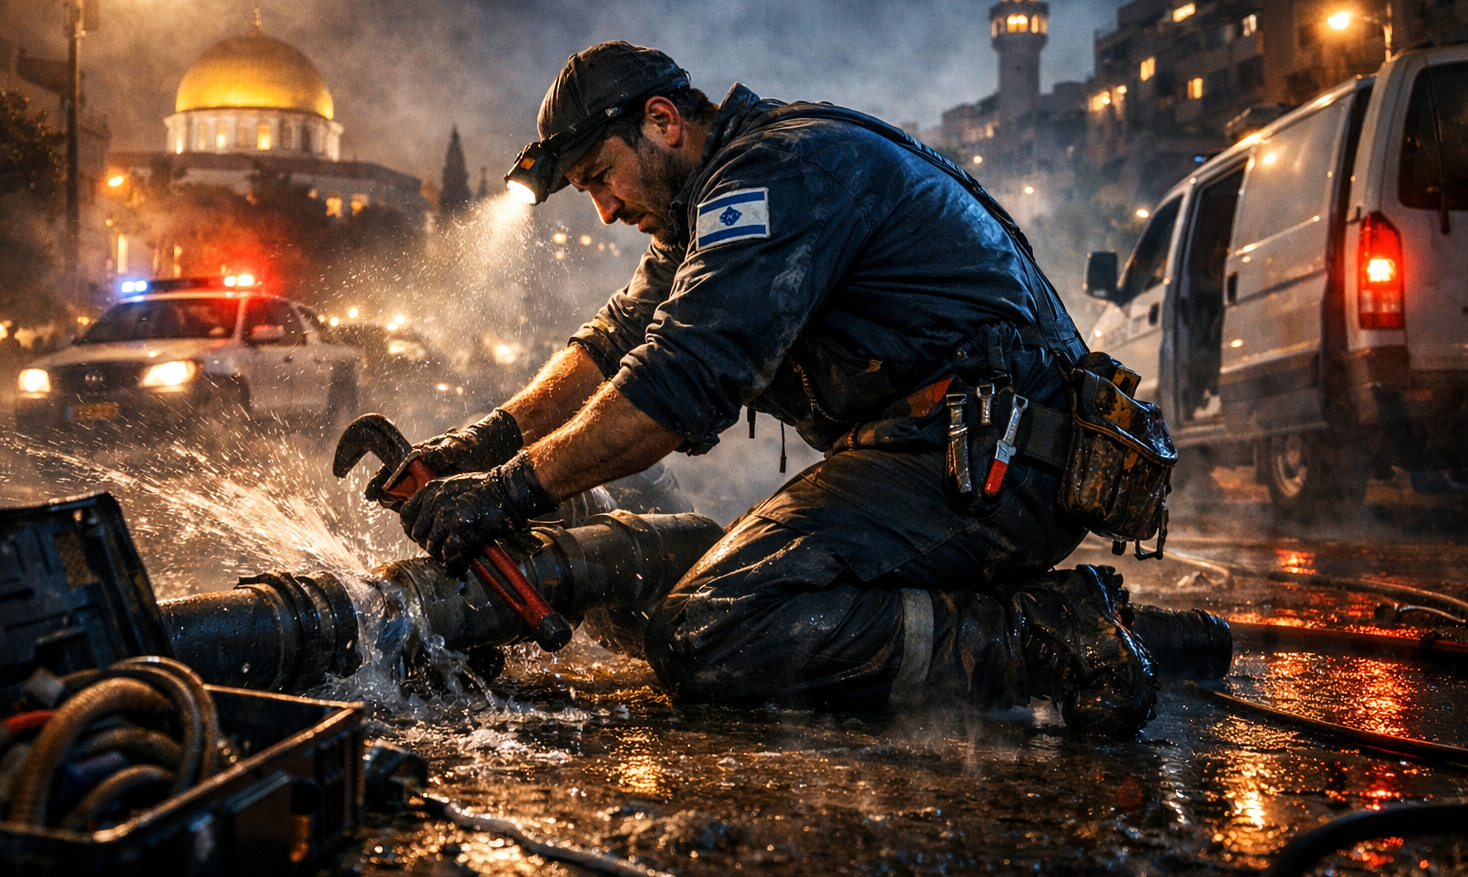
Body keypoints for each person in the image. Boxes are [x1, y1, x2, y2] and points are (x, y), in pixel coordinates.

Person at [375, 41, 1179, 737]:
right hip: (945, 454)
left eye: (600, 177)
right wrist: (478, 446)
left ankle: (1039, 637)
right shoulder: (709, 204)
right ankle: (999, 617)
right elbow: (611, 347)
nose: (605, 209)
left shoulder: (777, 172)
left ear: (662, 121)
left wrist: (509, 491)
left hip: (996, 462)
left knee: (708, 632)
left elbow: (680, 380)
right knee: (708, 592)